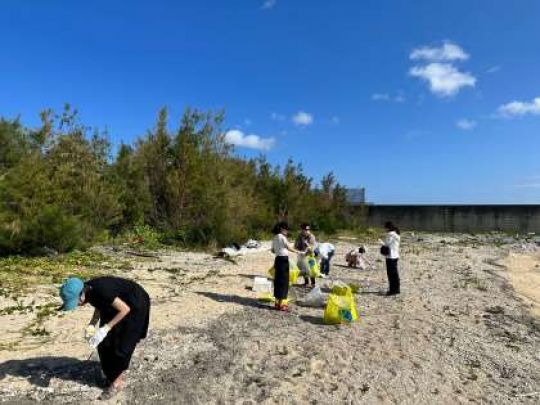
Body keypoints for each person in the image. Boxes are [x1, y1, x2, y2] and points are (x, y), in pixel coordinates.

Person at [59, 276, 150, 399]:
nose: (78, 305)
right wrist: (92, 324)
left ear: (81, 295)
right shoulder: (88, 290)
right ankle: (111, 375)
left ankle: (118, 382)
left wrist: (106, 328)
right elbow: (99, 304)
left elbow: (125, 309)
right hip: (116, 305)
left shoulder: (101, 290)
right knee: (104, 344)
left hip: (134, 303)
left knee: (121, 345)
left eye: (76, 302)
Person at [271, 221, 302, 311]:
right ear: (282, 229)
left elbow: (272, 250)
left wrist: (279, 249)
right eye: (286, 230)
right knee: (283, 282)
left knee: (278, 281)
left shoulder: (275, 237)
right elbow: (289, 247)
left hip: (277, 259)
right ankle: (281, 305)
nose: (287, 231)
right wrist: (300, 252)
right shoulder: (282, 237)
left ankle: (277, 303)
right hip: (283, 260)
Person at [381, 221, 401, 296]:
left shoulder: (390, 234)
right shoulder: (397, 233)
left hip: (390, 256)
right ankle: (397, 289)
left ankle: (392, 290)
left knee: (391, 274)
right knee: (395, 274)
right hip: (396, 256)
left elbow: (386, 244)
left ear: (388, 227)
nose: (384, 229)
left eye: (385, 227)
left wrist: (381, 243)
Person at [294, 223, 317, 288]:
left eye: (308, 229)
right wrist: (297, 250)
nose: (307, 231)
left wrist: (307, 244)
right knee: (303, 269)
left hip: (310, 256)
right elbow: (296, 245)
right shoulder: (299, 236)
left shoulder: (311, 236)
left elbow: (312, 246)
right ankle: (306, 282)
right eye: (305, 229)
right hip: (301, 255)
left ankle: (313, 283)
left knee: (311, 269)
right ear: (302, 230)